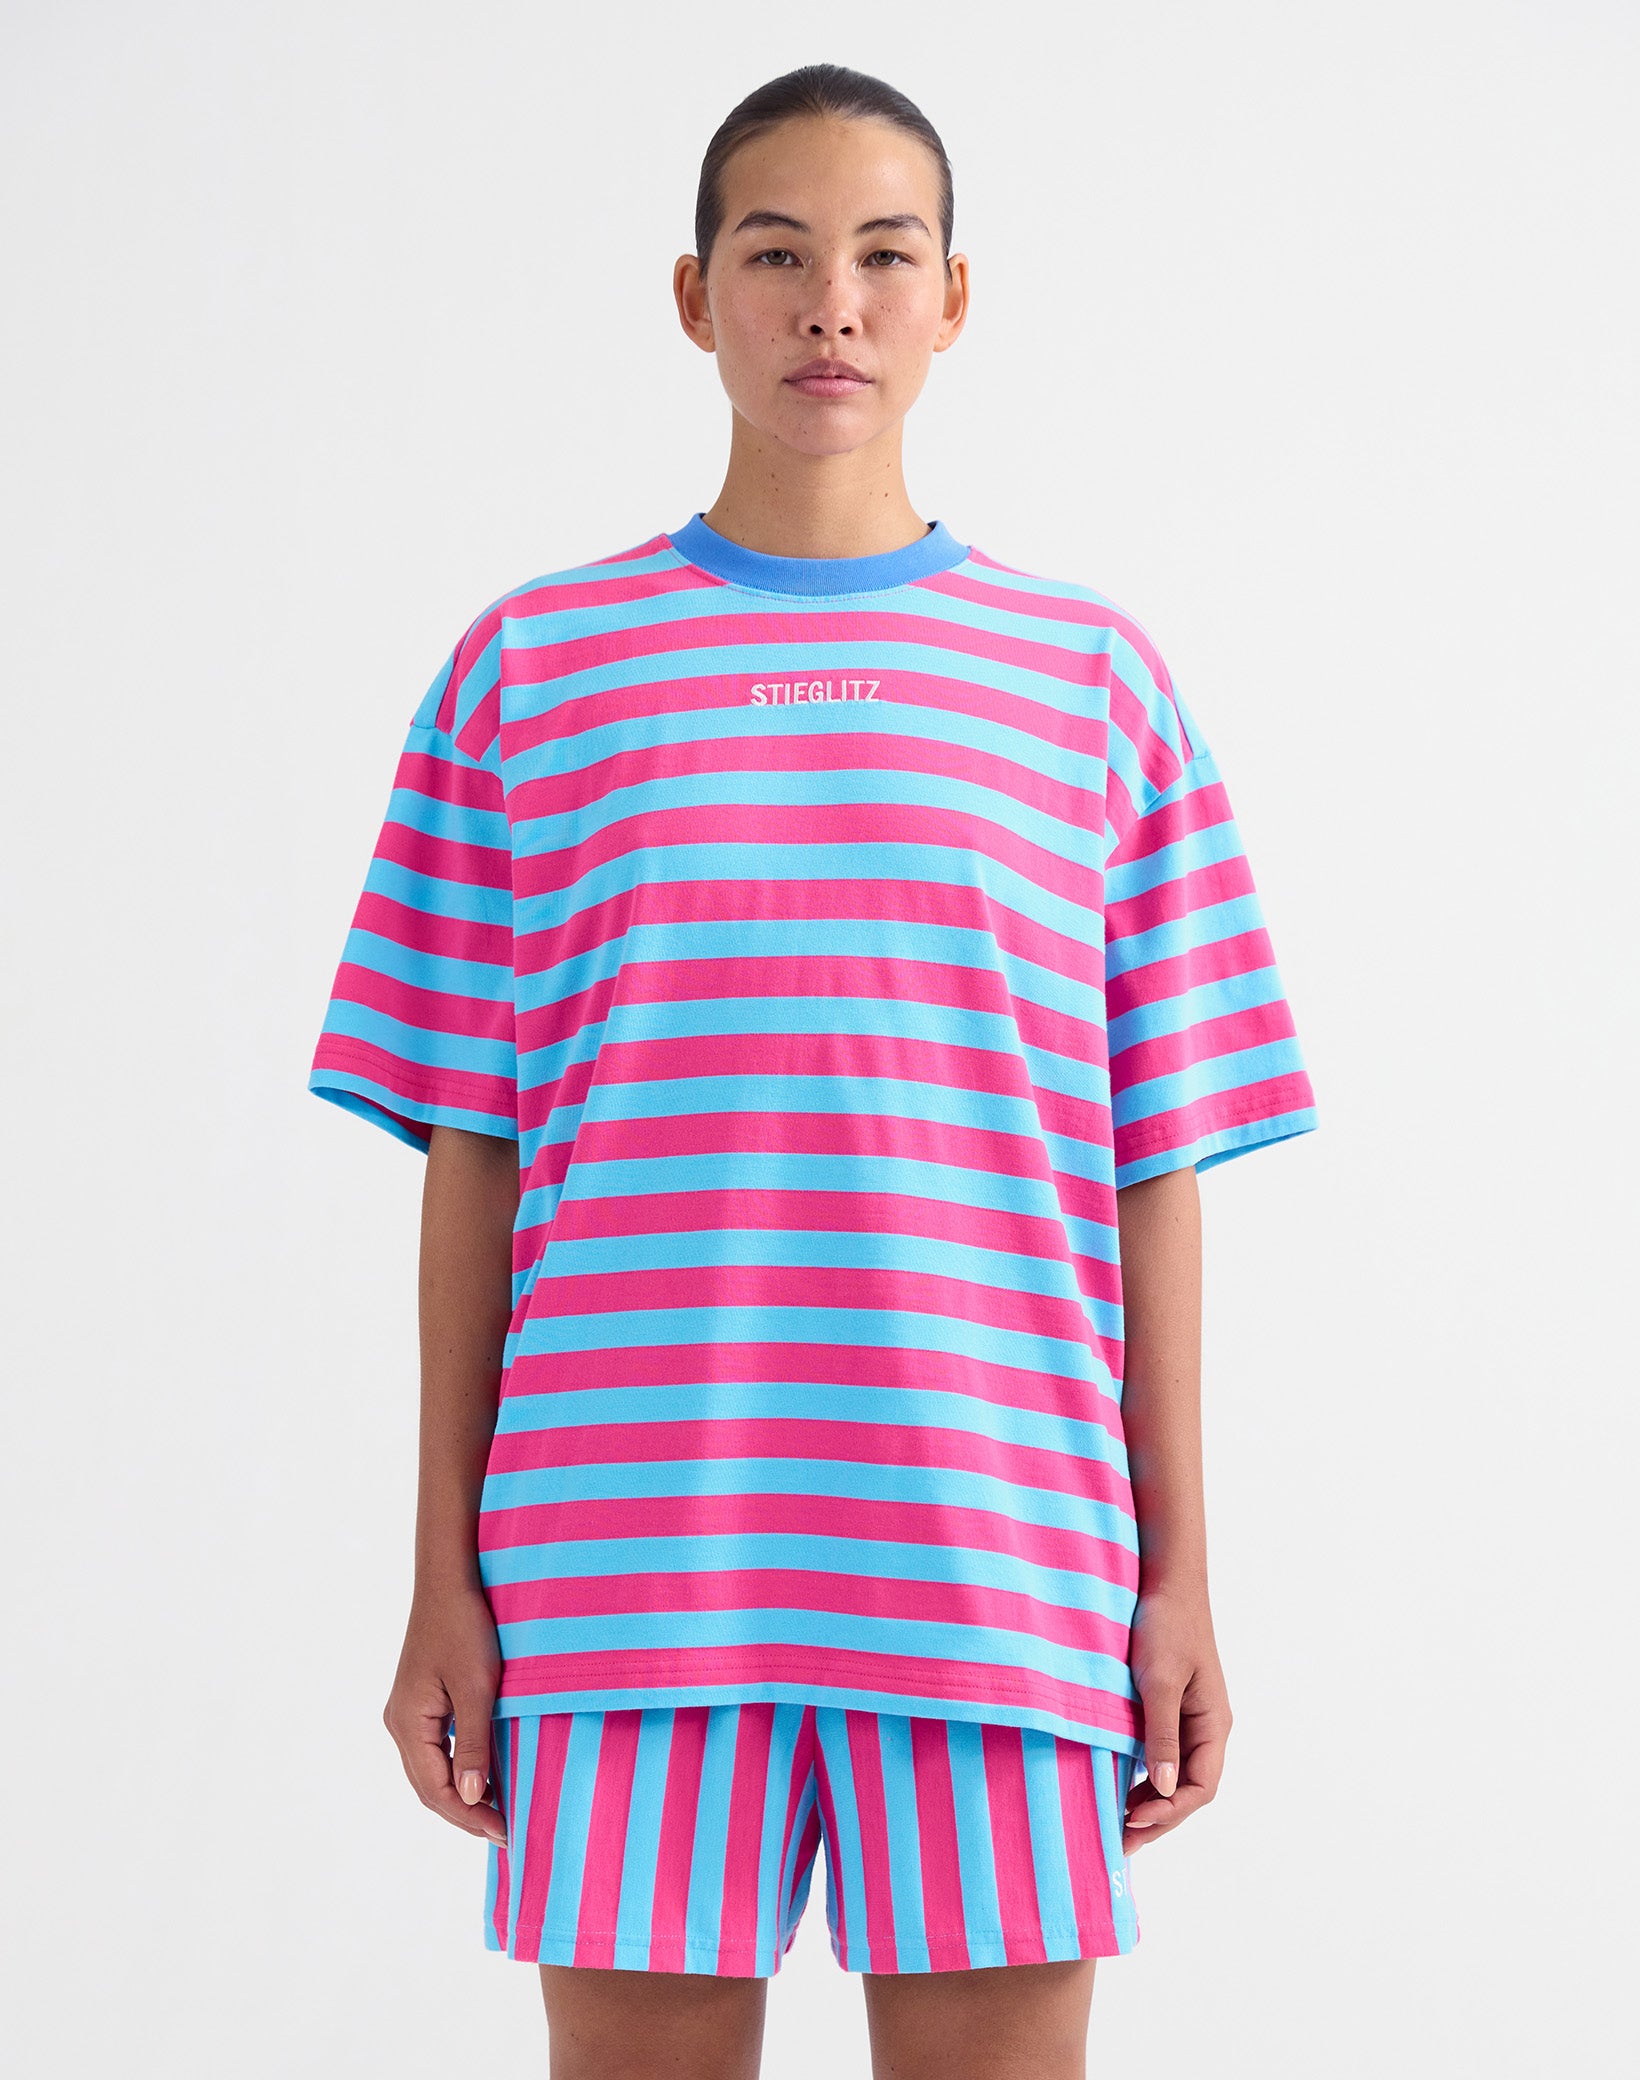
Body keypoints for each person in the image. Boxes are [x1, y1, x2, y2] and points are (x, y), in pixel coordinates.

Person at [307, 60, 1316, 2080]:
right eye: (776, 256)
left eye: (884, 256)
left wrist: (1182, 1571)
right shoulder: (532, 671)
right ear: (695, 298)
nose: (831, 303)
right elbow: (473, 1148)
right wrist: (441, 1573)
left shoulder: (1091, 683)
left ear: (956, 299)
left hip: (999, 1559)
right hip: (615, 1570)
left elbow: (1154, 1161)